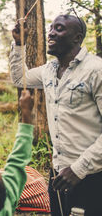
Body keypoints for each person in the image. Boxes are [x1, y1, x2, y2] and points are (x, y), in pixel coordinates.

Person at [9, 14, 102, 216]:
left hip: (93, 175)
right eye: (51, 28)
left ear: (77, 38)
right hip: (59, 172)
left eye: (59, 29)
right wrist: (18, 44)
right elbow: (19, 78)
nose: (50, 33)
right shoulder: (48, 71)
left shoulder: (96, 70)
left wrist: (79, 168)